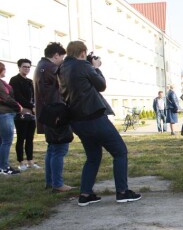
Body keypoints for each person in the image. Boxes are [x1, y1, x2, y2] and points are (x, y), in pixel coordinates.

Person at [58, 41, 142, 206]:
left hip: (77, 120)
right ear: (83, 53)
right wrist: (95, 67)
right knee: (120, 152)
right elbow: (101, 85)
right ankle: (123, 192)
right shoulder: (83, 65)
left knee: (93, 157)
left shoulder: (62, 68)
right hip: (94, 117)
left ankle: (85, 194)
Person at [34, 42, 74, 192]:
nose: (62, 60)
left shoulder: (41, 67)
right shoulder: (50, 68)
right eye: (62, 57)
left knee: (52, 149)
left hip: (49, 114)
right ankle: (57, 184)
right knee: (59, 149)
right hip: (55, 114)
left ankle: (51, 182)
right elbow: (65, 82)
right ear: (56, 55)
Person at [10, 58, 39, 171]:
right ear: (19, 67)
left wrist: (35, 106)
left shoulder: (30, 81)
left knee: (30, 138)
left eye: (28, 67)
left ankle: (30, 161)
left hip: (31, 114)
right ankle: (21, 162)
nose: (26, 69)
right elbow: (17, 97)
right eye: (24, 66)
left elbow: (35, 96)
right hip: (21, 113)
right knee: (21, 138)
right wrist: (31, 106)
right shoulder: (14, 80)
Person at [0, 62, 22, 175]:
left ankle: (2, 166)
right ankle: (4, 167)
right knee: (6, 141)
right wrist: (18, 106)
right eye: (4, 69)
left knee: (2, 141)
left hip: (5, 114)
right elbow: (6, 98)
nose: (5, 71)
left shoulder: (2, 82)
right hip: (4, 114)